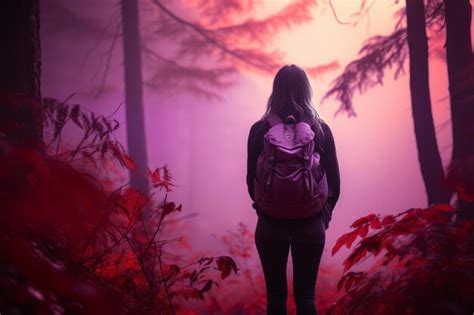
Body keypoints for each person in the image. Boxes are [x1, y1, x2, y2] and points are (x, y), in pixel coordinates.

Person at [246, 64, 340, 315]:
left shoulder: (259, 130)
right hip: (310, 221)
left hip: (270, 222)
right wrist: (321, 214)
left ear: (275, 91)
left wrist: (266, 209)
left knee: (276, 298)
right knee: (306, 296)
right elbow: (335, 185)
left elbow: (250, 182)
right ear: (306, 90)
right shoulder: (320, 130)